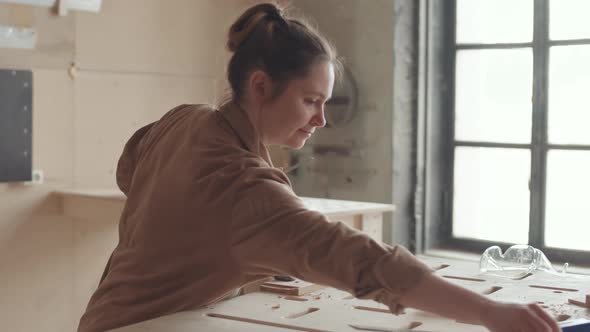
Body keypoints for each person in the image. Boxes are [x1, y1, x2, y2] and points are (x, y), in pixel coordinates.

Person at [77, 3, 561, 332]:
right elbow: (368, 262)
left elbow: (131, 167)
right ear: (262, 86)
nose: (321, 119)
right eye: (311, 101)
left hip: (112, 318)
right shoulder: (247, 190)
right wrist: (491, 312)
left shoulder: (186, 119)